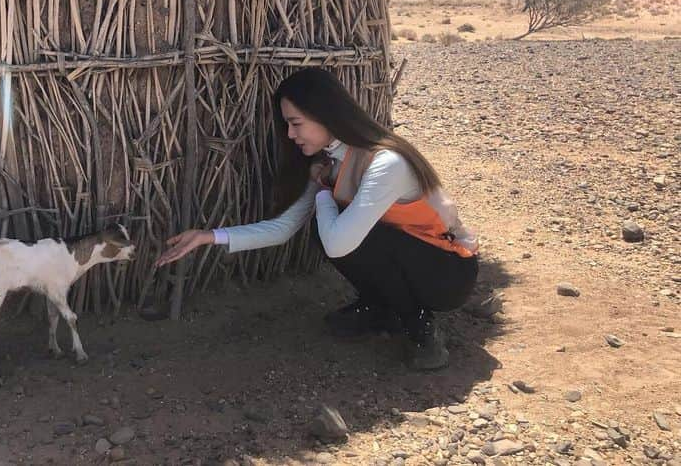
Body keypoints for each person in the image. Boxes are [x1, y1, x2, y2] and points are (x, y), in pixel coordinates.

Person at [155, 67, 478, 370]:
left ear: (326, 115)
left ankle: (418, 323)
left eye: (296, 123)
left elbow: (338, 244)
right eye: (287, 125)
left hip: (447, 274)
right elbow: (284, 229)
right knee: (324, 227)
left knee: (348, 230)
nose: (291, 134)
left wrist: (322, 191)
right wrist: (209, 236)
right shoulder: (333, 163)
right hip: (412, 259)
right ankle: (382, 307)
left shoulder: (386, 163)